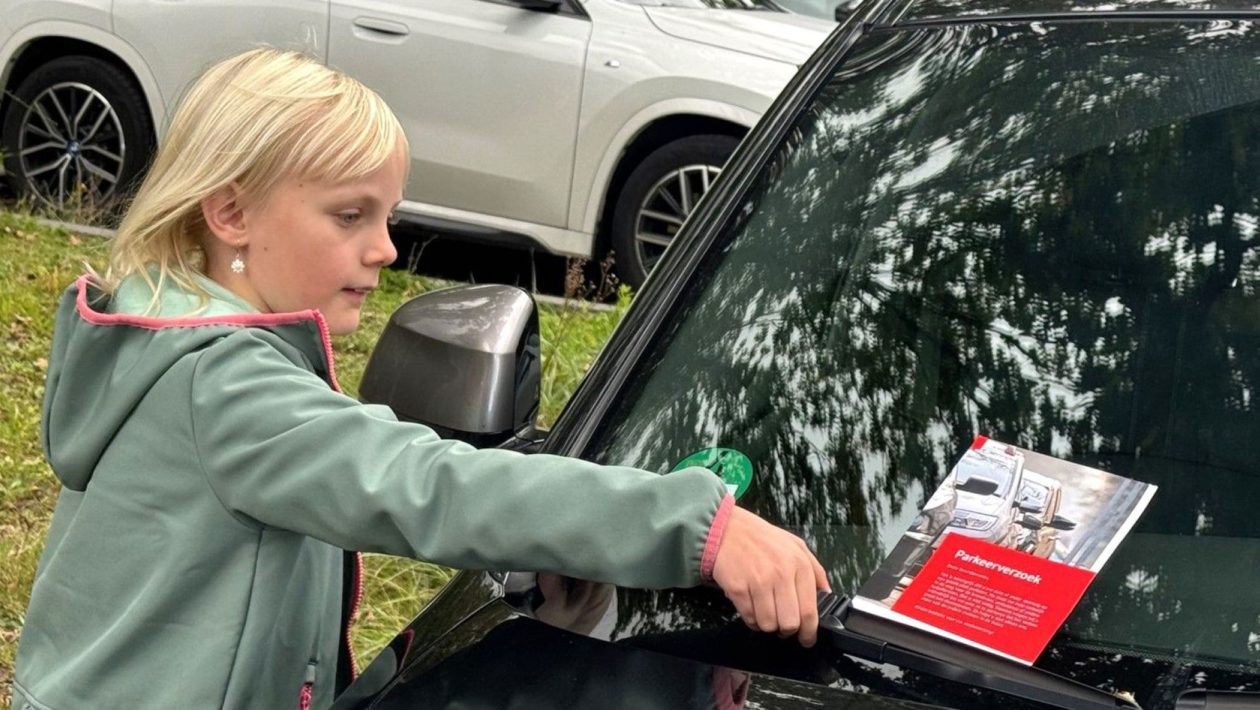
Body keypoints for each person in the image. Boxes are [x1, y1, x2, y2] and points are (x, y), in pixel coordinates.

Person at [11, 48, 829, 709]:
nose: (385, 249)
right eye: (349, 215)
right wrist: (696, 528)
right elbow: (430, 485)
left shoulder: (157, 333)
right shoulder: (224, 387)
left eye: (387, 217)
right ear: (231, 214)